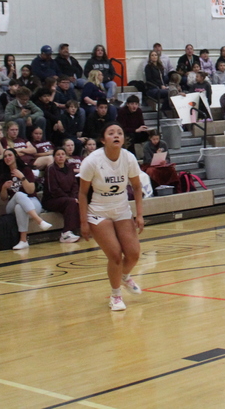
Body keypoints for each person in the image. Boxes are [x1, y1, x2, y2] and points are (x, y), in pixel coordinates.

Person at [79, 123, 144, 311]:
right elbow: (82, 194)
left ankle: (123, 276)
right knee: (115, 255)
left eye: (120, 133)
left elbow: (137, 187)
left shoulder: (129, 158)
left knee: (133, 254)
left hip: (121, 209)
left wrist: (139, 215)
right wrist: (83, 223)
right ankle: (115, 295)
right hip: (98, 212)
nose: (116, 136)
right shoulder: (92, 161)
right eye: (111, 133)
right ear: (103, 139)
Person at [0, 148, 53, 250]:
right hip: (11, 206)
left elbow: (31, 190)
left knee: (20, 207)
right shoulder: (4, 175)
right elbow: (3, 198)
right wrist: (4, 188)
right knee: (18, 195)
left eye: (10, 155)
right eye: (5, 156)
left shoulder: (26, 170)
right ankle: (40, 221)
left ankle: (23, 241)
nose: (7, 158)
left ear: (15, 157)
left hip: (32, 201)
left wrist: (22, 177)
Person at [44, 147, 82, 243]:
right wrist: (69, 198)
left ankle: (80, 229)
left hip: (67, 198)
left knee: (77, 202)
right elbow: (53, 189)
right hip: (51, 199)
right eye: (58, 154)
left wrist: (73, 197)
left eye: (63, 154)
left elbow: (74, 185)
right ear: (54, 157)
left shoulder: (69, 168)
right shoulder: (50, 169)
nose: (61, 156)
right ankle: (65, 234)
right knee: (71, 202)